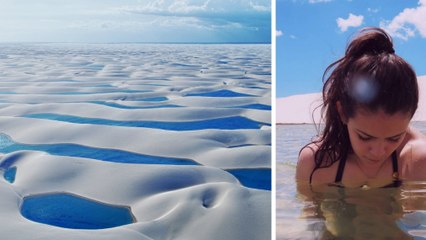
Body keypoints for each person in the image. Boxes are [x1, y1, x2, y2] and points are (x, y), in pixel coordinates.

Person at [296, 27, 426, 188]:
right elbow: (310, 212)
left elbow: (414, 213)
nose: (378, 152)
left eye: (394, 138)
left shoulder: (418, 160)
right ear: (342, 112)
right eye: (365, 137)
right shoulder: (317, 162)